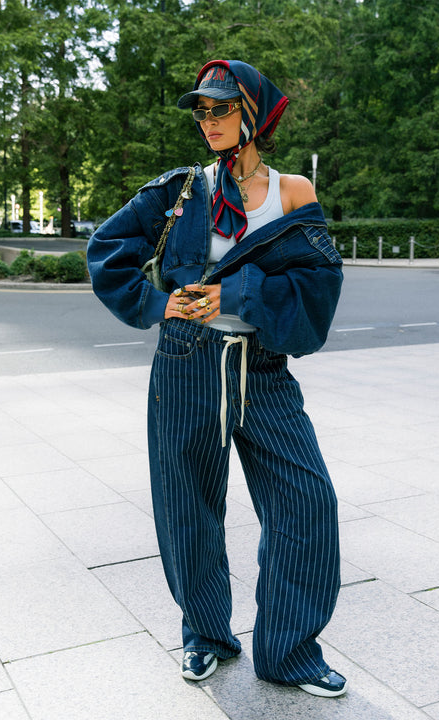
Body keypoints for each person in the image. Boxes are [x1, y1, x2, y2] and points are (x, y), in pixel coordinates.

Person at [87, 59, 347, 698]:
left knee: (307, 501)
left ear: (252, 113)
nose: (208, 121)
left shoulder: (294, 192)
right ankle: (205, 635)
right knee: (189, 509)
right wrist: (161, 305)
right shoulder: (181, 190)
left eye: (221, 108)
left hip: (263, 370)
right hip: (187, 364)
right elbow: (106, 251)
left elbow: (318, 288)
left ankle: (289, 652)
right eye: (201, 111)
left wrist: (238, 292)